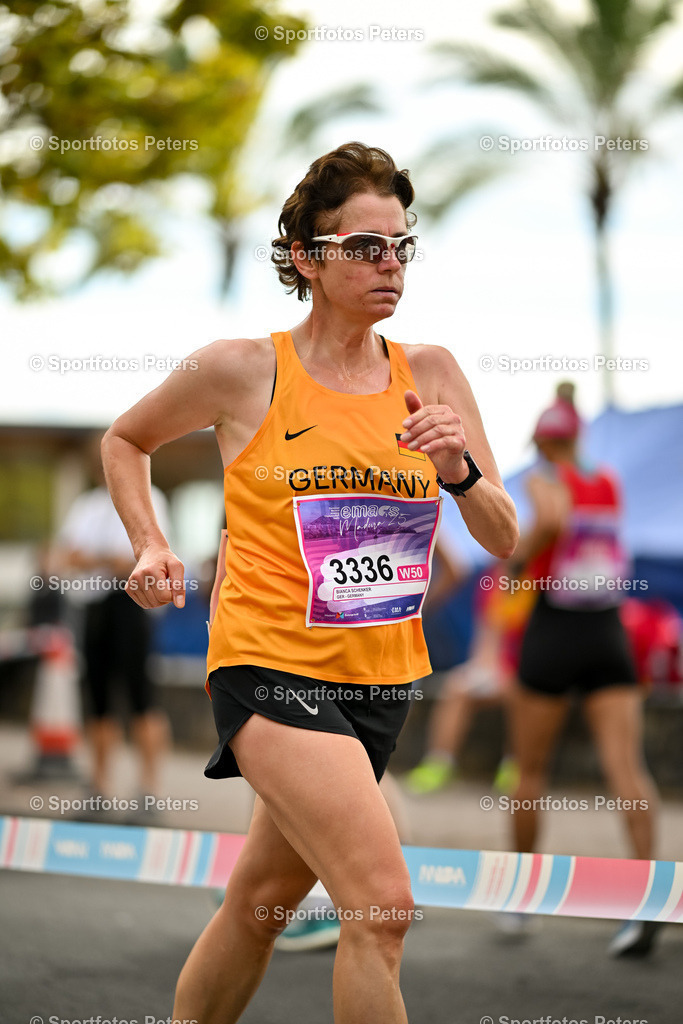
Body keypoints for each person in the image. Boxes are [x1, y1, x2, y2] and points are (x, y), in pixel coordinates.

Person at [101, 141, 518, 1024]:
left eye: (401, 246)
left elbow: (504, 536)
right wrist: (149, 545)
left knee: (258, 906)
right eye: (366, 246)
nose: (389, 265)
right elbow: (125, 438)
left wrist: (460, 470)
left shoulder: (429, 374)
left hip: (378, 679)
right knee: (382, 904)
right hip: (269, 668)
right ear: (307, 258)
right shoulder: (242, 369)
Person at [504, 382, 660, 955]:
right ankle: (648, 898)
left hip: (555, 631)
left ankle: (522, 900)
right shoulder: (607, 479)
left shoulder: (546, 479)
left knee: (530, 770)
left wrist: (519, 562)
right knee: (627, 767)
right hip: (608, 633)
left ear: (543, 442)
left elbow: (548, 517)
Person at [58, 433, 171, 809]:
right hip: (96, 607)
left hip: (132, 606)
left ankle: (149, 788)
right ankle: (100, 785)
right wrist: (112, 560)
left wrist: (100, 559)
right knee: (99, 699)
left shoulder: (151, 499)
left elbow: (143, 561)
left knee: (142, 698)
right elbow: (71, 557)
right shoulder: (88, 505)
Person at [405, 561, 535, 795]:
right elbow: (487, 635)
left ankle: (514, 766)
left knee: (523, 690)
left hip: (530, 668)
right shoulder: (492, 581)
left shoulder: (540, 580)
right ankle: (439, 763)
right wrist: (484, 669)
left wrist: (514, 673)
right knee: (456, 687)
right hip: (501, 668)